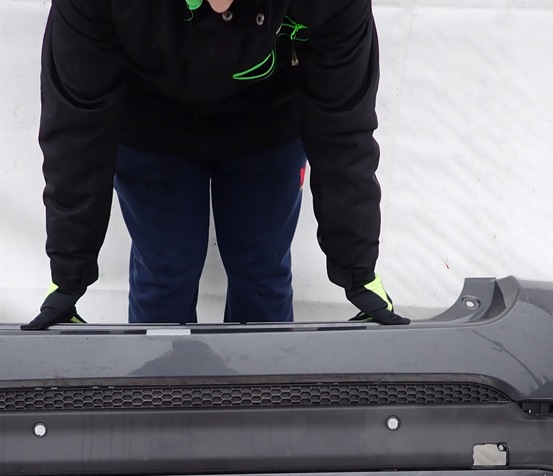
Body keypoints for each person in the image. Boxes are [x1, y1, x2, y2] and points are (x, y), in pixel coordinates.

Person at [22, 0, 409, 329]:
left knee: (262, 272)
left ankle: (260, 390)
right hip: (150, 120)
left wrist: (358, 271)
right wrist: (69, 274)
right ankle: (160, 389)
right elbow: (76, 124)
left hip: (268, 119)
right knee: (165, 273)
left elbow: (343, 126)